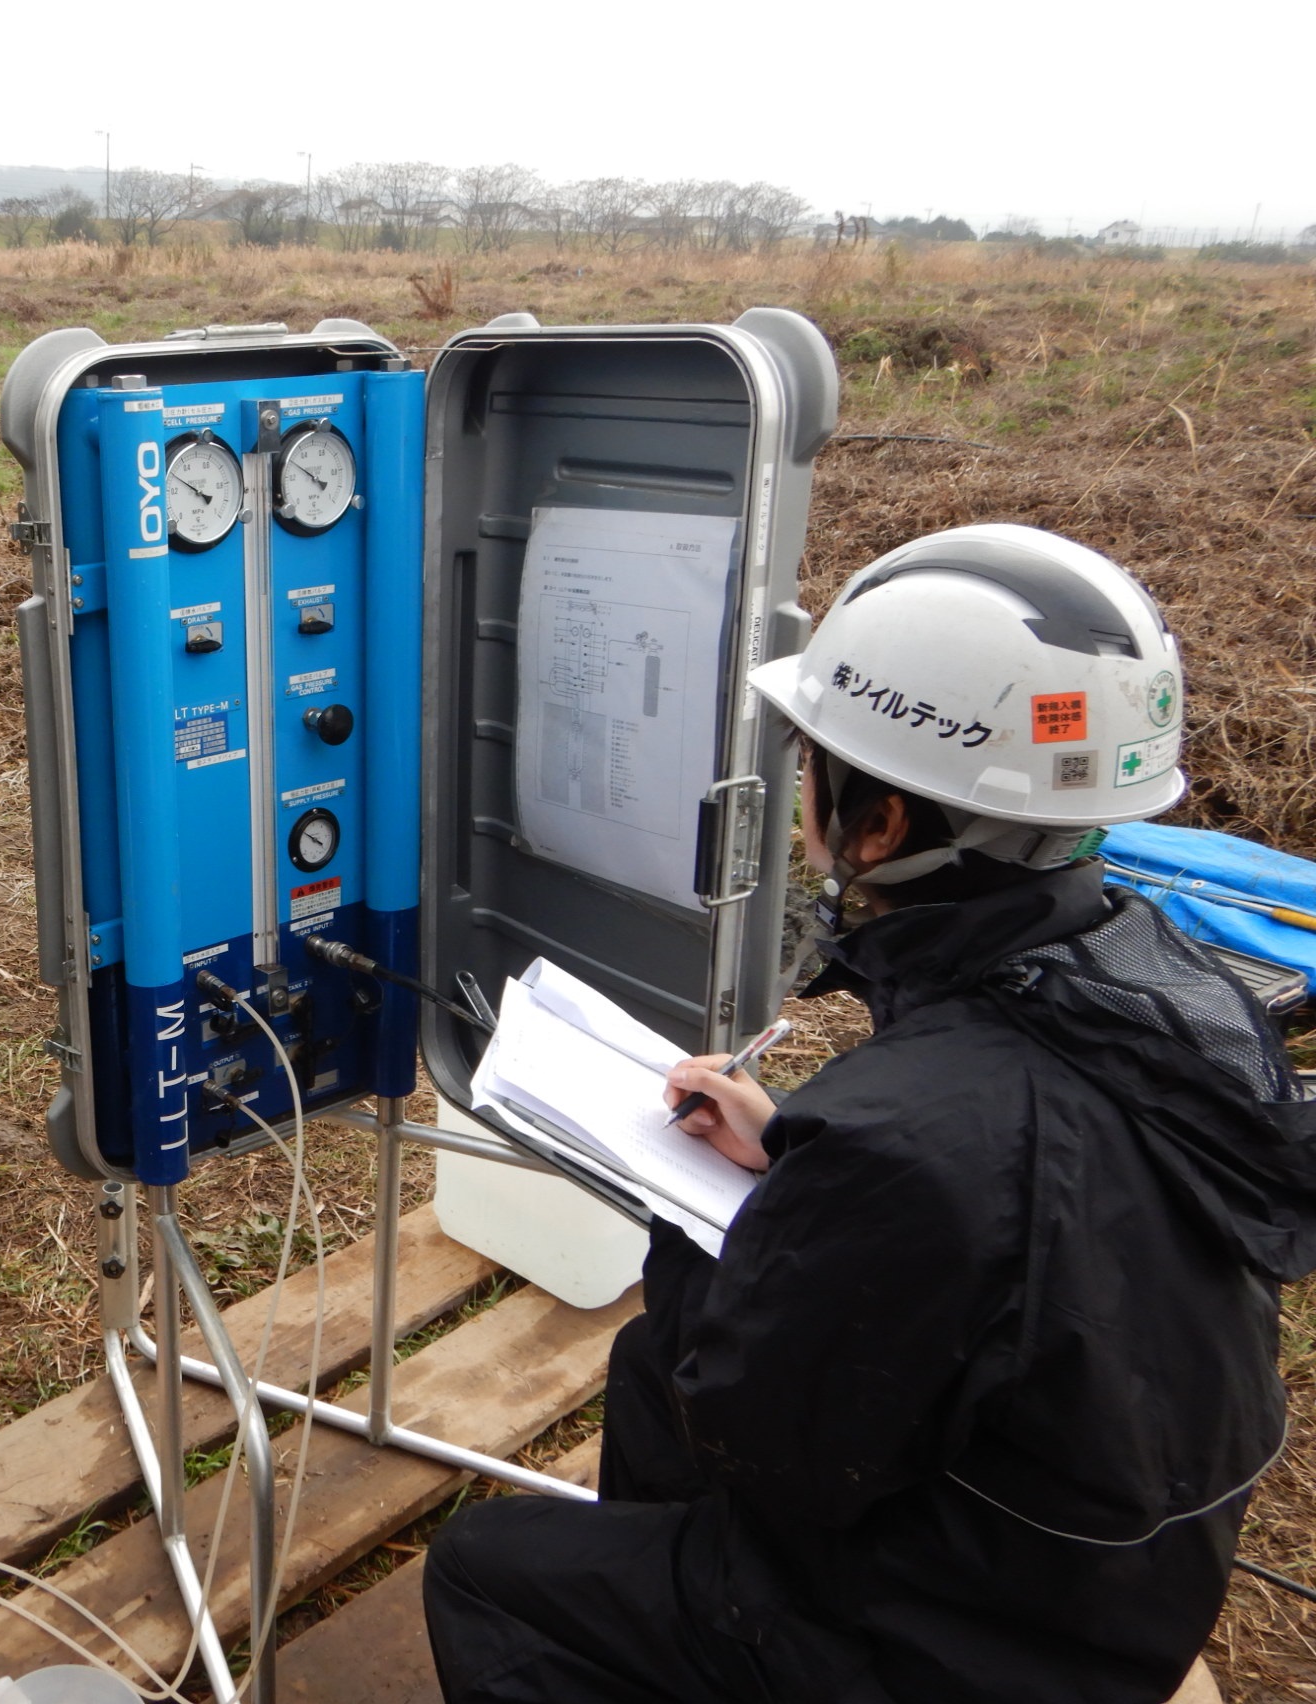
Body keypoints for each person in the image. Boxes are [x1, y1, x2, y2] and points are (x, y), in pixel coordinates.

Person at [422, 524, 1316, 1703]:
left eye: (813, 765)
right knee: (647, 1375)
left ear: (879, 824)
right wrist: (793, 1152)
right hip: (1109, 1559)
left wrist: (727, 1222)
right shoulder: (1154, 992)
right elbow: (1014, 1200)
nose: (804, 791)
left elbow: (770, 1441)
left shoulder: (905, 1130)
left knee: (484, 1569)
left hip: (987, 1640)